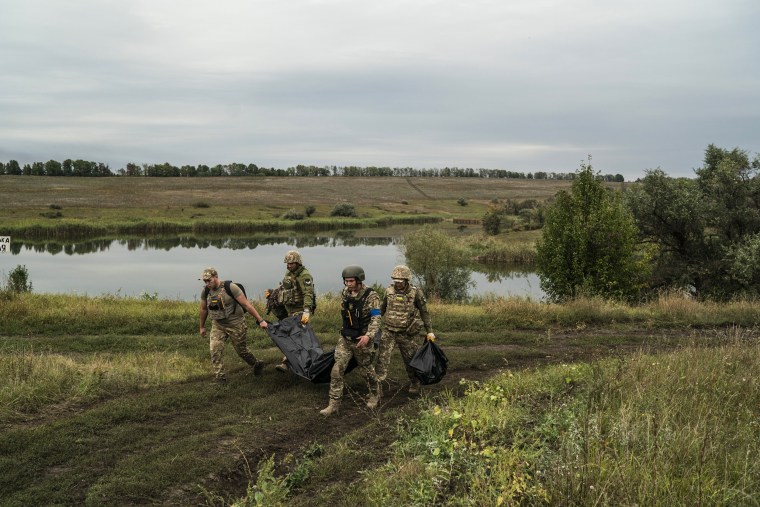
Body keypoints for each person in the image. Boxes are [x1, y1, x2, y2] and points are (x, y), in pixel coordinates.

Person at [320, 265, 382, 415]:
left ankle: (375, 394)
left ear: (359, 280)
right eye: (346, 281)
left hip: (363, 339)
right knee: (336, 370)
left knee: (366, 371)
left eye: (351, 281)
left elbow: (376, 318)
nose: (348, 284)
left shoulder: (371, 296)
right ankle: (334, 404)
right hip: (346, 338)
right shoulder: (345, 293)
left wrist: (369, 336)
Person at [198, 267, 269, 382]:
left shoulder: (230, 288)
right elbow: (203, 309)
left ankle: (256, 364)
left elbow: (247, 305)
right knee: (214, 350)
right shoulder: (206, 291)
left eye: (209, 280)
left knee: (242, 351)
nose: (207, 283)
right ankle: (220, 378)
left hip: (236, 324)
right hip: (218, 325)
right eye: (205, 281)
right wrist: (201, 327)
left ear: (216, 277)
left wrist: (261, 320)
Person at [376, 265, 435, 395]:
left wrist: (429, 331)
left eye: (400, 281)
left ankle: (415, 382)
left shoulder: (416, 293)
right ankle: (377, 387)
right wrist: (371, 316)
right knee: (382, 360)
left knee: (411, 361)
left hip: (407, 334)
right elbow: (381, 308)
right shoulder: (389, 291)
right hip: (389, 331)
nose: (397, 284)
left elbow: (424, 312)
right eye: (395, 281)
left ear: (406, 280)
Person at [269, 250, 315, 373]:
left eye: (291, 263)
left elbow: (308, 294)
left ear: (298, 262)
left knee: (298, 335)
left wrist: (306, 311)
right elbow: (286, 288)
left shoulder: (304, 275)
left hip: (300, 311)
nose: (289, 266)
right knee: (294, 335)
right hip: (289, 310)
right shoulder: (289, 273)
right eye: (287, 264)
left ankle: (288, 363)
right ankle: (298, 361)